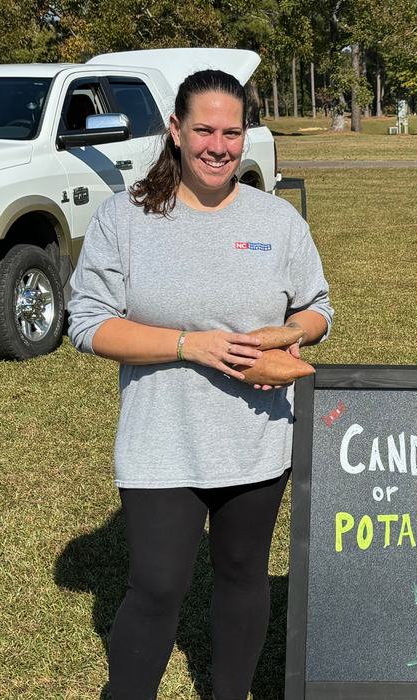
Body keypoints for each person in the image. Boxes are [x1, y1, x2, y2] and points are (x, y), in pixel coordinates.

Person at [67, 69, 333, 699]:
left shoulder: (276, 220)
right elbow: (88, 322)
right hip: (163, 440)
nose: (218, 146)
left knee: (243, 576)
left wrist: (284, 334)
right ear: (176, 131)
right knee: (157, 587)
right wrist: (192, 345)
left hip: (257, 438)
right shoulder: (126, 217)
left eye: (232, 133)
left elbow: (318, 308)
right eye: (204, 130)